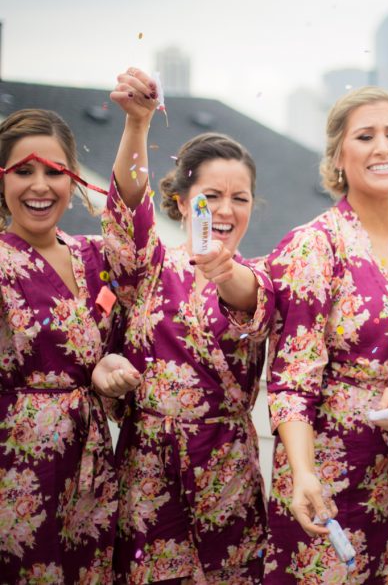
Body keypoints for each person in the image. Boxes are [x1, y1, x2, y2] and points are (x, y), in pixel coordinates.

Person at [264, 86, 388, 584]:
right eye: (365, 136)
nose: (382, 147)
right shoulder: (315, 246)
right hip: (327, 471)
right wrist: (302, 473)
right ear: (339, 156)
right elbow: (291, 380)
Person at [96, 67, 274, 583]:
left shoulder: (259, 278)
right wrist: (138, 124)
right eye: (211, 196)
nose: (225, 209)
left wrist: (222, 270)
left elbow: (248, 298)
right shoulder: (149, 266)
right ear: (179, 201)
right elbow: (128, 209)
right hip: (148, 467)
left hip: (227, 469)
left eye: (239, 198)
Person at [0, 109, 121, 582]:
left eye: (54, 172)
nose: (40, 185)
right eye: (23, 171)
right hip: (18, 464)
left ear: (73, 179)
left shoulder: (93, 256)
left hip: (91, 460)